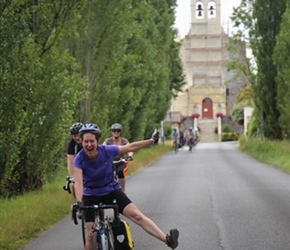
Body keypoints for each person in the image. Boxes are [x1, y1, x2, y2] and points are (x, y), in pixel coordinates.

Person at [73, 124, 179, 250]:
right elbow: (78, 182)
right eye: (86, 141)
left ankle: (166, 239)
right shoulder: (79, 159)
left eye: (92, 141)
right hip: (90, 195)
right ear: (82, 142)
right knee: (89, 235)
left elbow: (131, 146)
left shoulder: (107, 150)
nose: (89, 145)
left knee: (137, 216)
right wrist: (79, 202)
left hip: (111, 190)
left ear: (98, 141)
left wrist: (151, 141)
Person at [103, 123, 133, 193]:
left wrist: (130, 156)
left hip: (121, 161)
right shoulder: (108, 141)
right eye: (114, 130)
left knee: (120, 171)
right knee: (106, 173)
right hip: (110, 162)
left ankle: (122, 191)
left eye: (118, 130)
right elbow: (103, 149)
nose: (116, 132)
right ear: (111, 132)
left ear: (120, 132)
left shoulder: (124, 141)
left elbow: (130, 149)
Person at [66, 122, 83, 198]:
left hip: (90, 167)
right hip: (78, 168)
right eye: (74, 136)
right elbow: (70, 161)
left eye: (79, 135)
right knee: (73, 185)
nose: (77, 138)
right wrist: (72, 176)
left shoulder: (89, 142)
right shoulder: (72, 144)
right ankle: (79, 204)